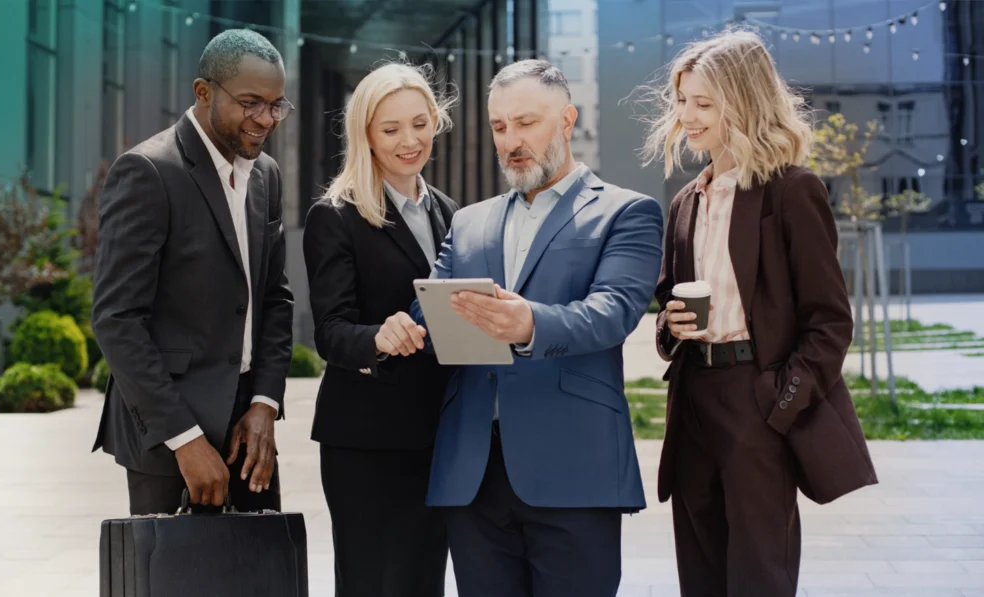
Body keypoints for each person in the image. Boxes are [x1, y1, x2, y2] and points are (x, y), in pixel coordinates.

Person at [399, 59, 664, 597]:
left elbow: (614, 311)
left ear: (567, 120)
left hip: (573, 468)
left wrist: (529, 325)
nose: (511, 140)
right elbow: (432, 309)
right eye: (499, 127)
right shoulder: (468, 221)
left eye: (526, 123)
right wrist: (410, 322)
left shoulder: (626, 212)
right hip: (473, 472)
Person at [642, 29, 878, 597]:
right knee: (698, 572)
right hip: (694, 395)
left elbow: (830, 322)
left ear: (744, 103)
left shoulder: (792, 191)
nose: (687, 116)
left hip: (759, 400)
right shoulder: (685, 201)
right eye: (682, 100)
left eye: (704, 103)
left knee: (758, 575)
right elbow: (670, 303)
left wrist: (781, 403)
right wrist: (670, 328)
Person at [91, 29, 295, 515]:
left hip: (250, 432)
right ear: (203, 93)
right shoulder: (147, 171)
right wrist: (184, 440)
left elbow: (274, 299)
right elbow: (117, 319)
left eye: (275, 105)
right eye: (251, 103)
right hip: (169, 435)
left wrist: (265, 403)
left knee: (258, 579)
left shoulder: (265, 174)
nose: (265, 119)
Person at [301, 62, 458, 597]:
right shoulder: (336, 214)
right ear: (365, 134)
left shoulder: (450, 214)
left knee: (425, 581)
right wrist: (376, 337)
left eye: (419, 124)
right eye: (391, 129)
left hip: (437, 436)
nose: (409, 141)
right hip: (366, 444)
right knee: (374, 583)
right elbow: (329, 330)